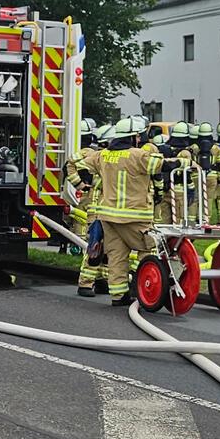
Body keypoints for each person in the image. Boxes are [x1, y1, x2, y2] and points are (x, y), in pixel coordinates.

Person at [82, 118, 186, 306]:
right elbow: (162, 166)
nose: (139, 139)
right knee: (148, 251)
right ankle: (147, 288)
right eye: (138, 136)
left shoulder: (102, 155)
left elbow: (82, 166)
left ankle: (118, 296)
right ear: (133, 137)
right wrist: (184, 162)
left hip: (108, 217)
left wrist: (86, 183)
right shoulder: (138, 155)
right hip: (135, 217)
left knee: (116, 256)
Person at [66, 118, 107, 297]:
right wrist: (81, 185)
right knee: (95, 245)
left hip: (106, 208)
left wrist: (79, 184)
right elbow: (69, 164)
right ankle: (86, 283)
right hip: (96, 206)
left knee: (107, 248)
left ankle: (102, 281)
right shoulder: (91, 153)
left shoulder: (105, 156)